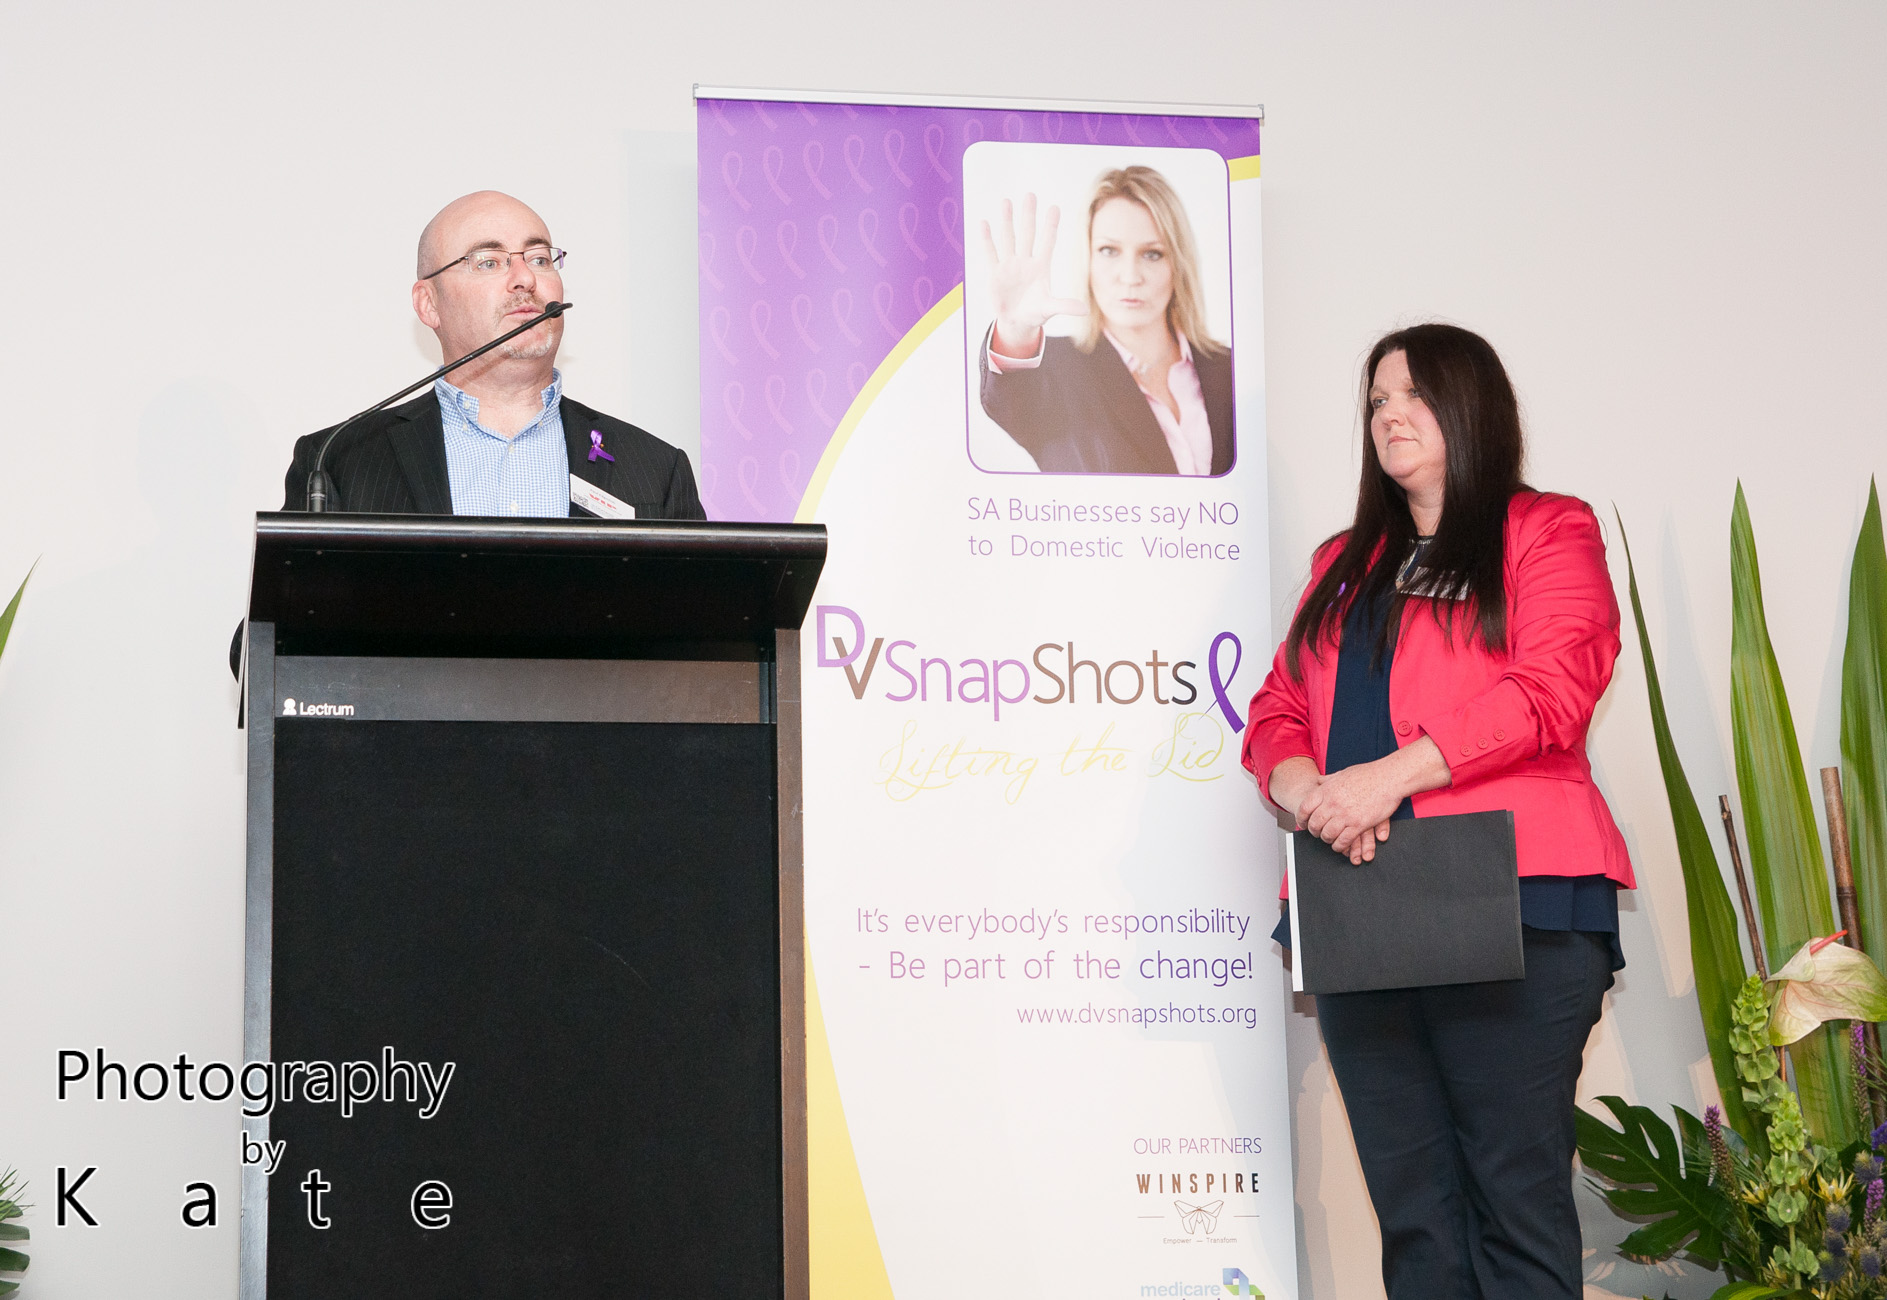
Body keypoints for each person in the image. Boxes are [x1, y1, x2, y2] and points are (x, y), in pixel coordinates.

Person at [1240, 324, 1633, 1299]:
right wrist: (1312, 794)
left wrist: (1387, 777)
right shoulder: (1344, 560)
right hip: (1359, 913)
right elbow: (1277, 710)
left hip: (1516, 902)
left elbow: (1553, 688)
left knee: (1514, 1205)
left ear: (1471, 405)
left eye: (1413, 393)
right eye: (1377, 400)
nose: (1389, 414)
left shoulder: (1545, 529)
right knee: (1415, 1220)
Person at [277, 190, 704, 521]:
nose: (525, 278)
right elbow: (291, 609)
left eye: (540, 259)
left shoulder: (655, 468)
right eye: (488, 262)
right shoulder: (338, 461)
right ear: (429, 304)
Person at [976, 166, 1233, 476]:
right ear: (1088, 259)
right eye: (1109, 250)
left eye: (1152, 254)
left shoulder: (1228, 369)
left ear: (1178, 263)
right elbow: (1009, 398)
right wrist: (1015, 331)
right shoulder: (1055, 372)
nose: (1130, 276)